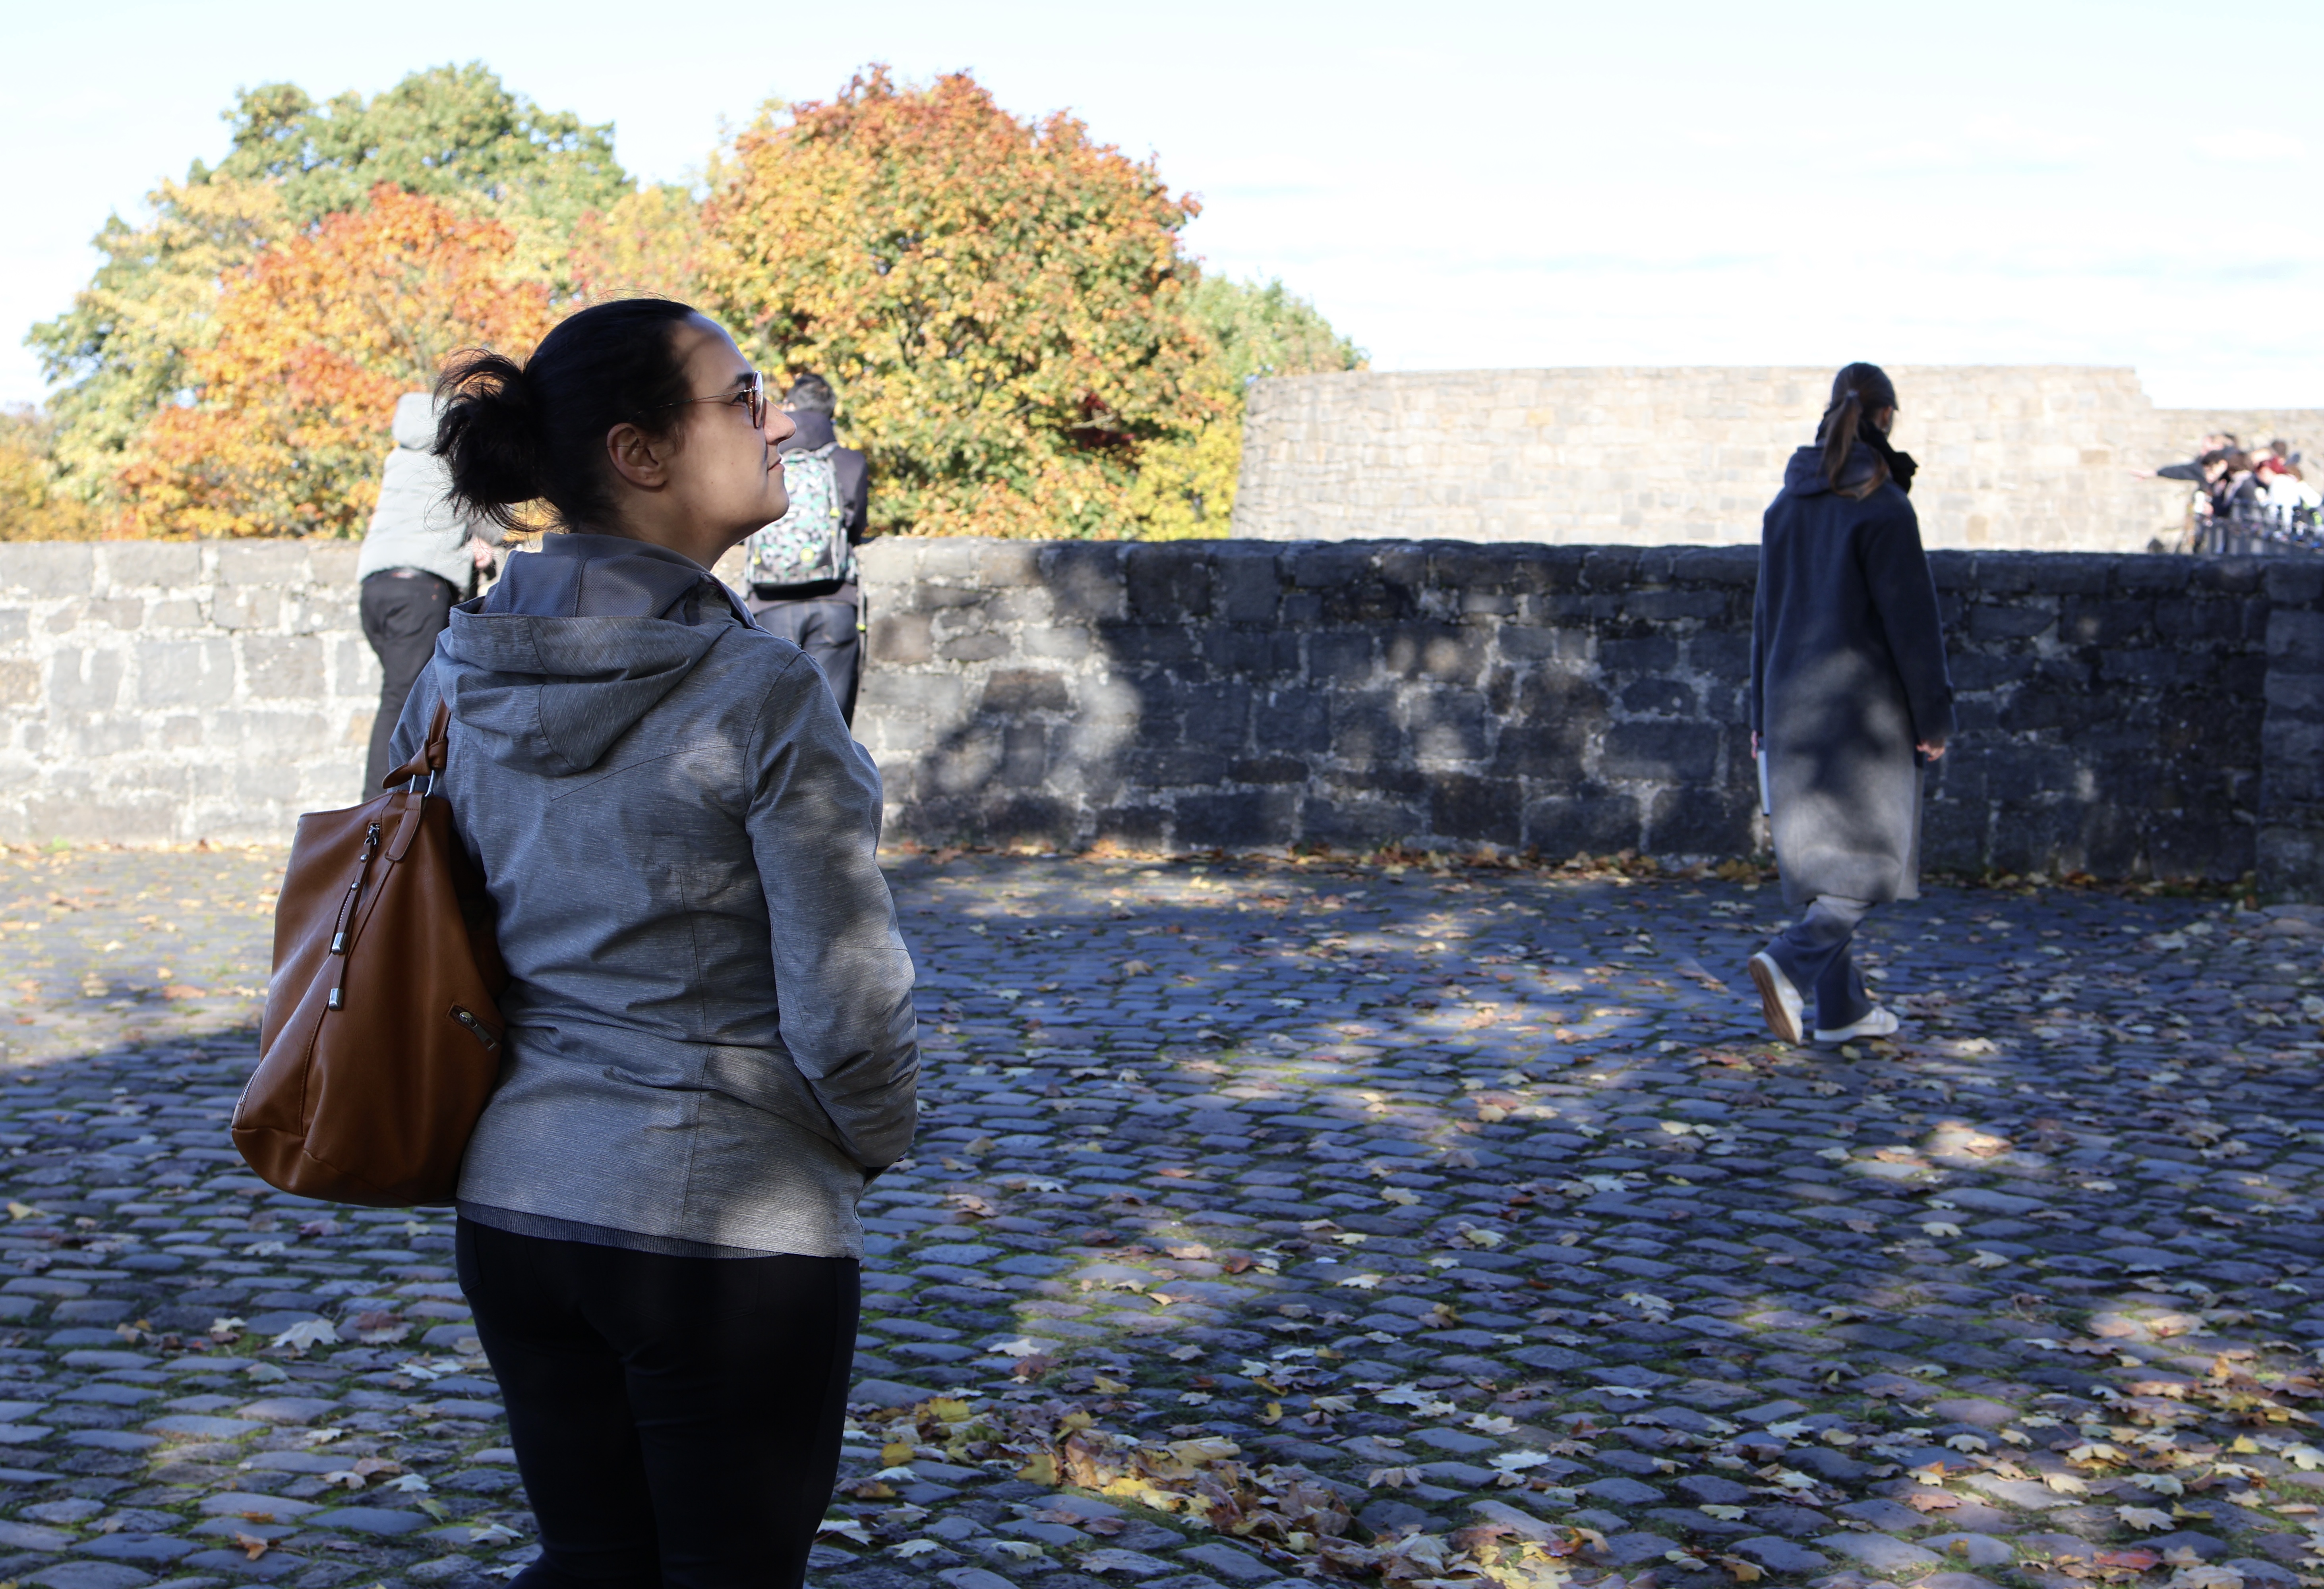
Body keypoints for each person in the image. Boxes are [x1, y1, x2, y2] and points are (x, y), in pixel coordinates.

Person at [389, 298, 919, 1589]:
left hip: (516, 1207)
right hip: (724, 1231)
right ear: (637, 453)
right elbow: (846, 1007)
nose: (781, 419)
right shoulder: (760, 692)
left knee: (594, 1563)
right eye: (742, 399)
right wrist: (865, 1143)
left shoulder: (451, 675)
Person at [1747, 362, 1953, 1046]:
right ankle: (1788, 962)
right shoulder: (1883, 505)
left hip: (1788, 708)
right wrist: (1932, 716)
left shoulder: (1783, 508)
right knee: (1870, 862)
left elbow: (1763, 619)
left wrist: (1757, 717)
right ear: (1886, 417)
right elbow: (1911, 623)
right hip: (1862, 714)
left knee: (1820, 862)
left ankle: (1843, 1011)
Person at [356, 392, 502, 793]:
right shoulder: (452, 457)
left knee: (409, 696)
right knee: (404, 700)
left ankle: (400, 801)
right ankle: (382, 809)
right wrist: (493, 542)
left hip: (377, 588)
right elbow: (490, 518)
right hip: (422, 591)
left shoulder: (400, 458)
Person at [741, 373, 869, 723]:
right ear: (831, 412)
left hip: (769, 603)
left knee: (769, 722)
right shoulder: (848, 460)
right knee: (829, 723)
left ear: (793, 406)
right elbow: (856, 526)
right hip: (834, 601)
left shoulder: (764, 455)